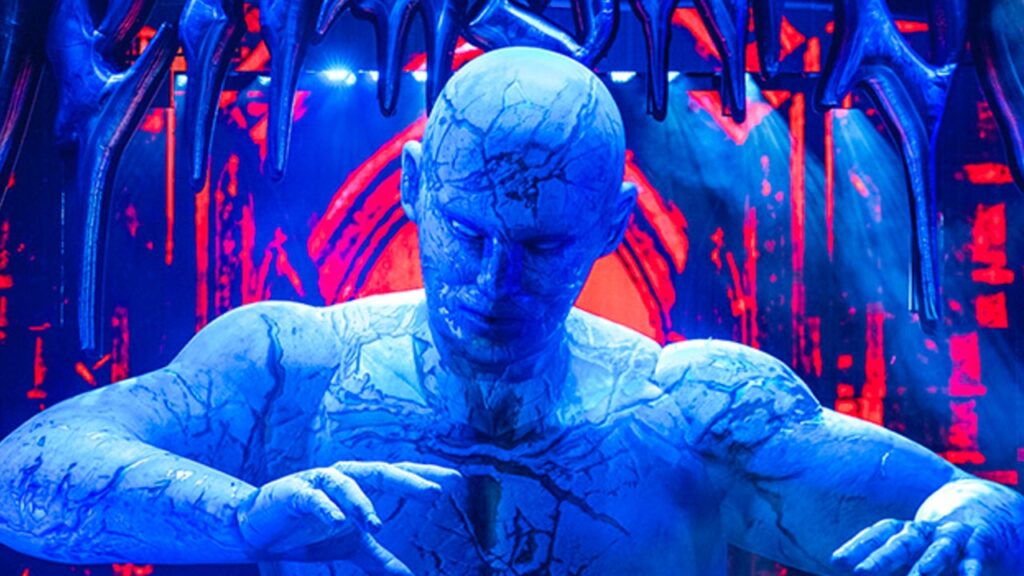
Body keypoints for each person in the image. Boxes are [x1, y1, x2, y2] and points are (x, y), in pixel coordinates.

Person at [0, 47, 1021, 576]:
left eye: (539, 246)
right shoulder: (289, 369)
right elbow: (23, 474)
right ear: (413, 188)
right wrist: (237, 519)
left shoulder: (698, 412)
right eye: (467, 231)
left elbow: (969, 513)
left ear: (612, 223)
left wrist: (984, 525)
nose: (493, 281)